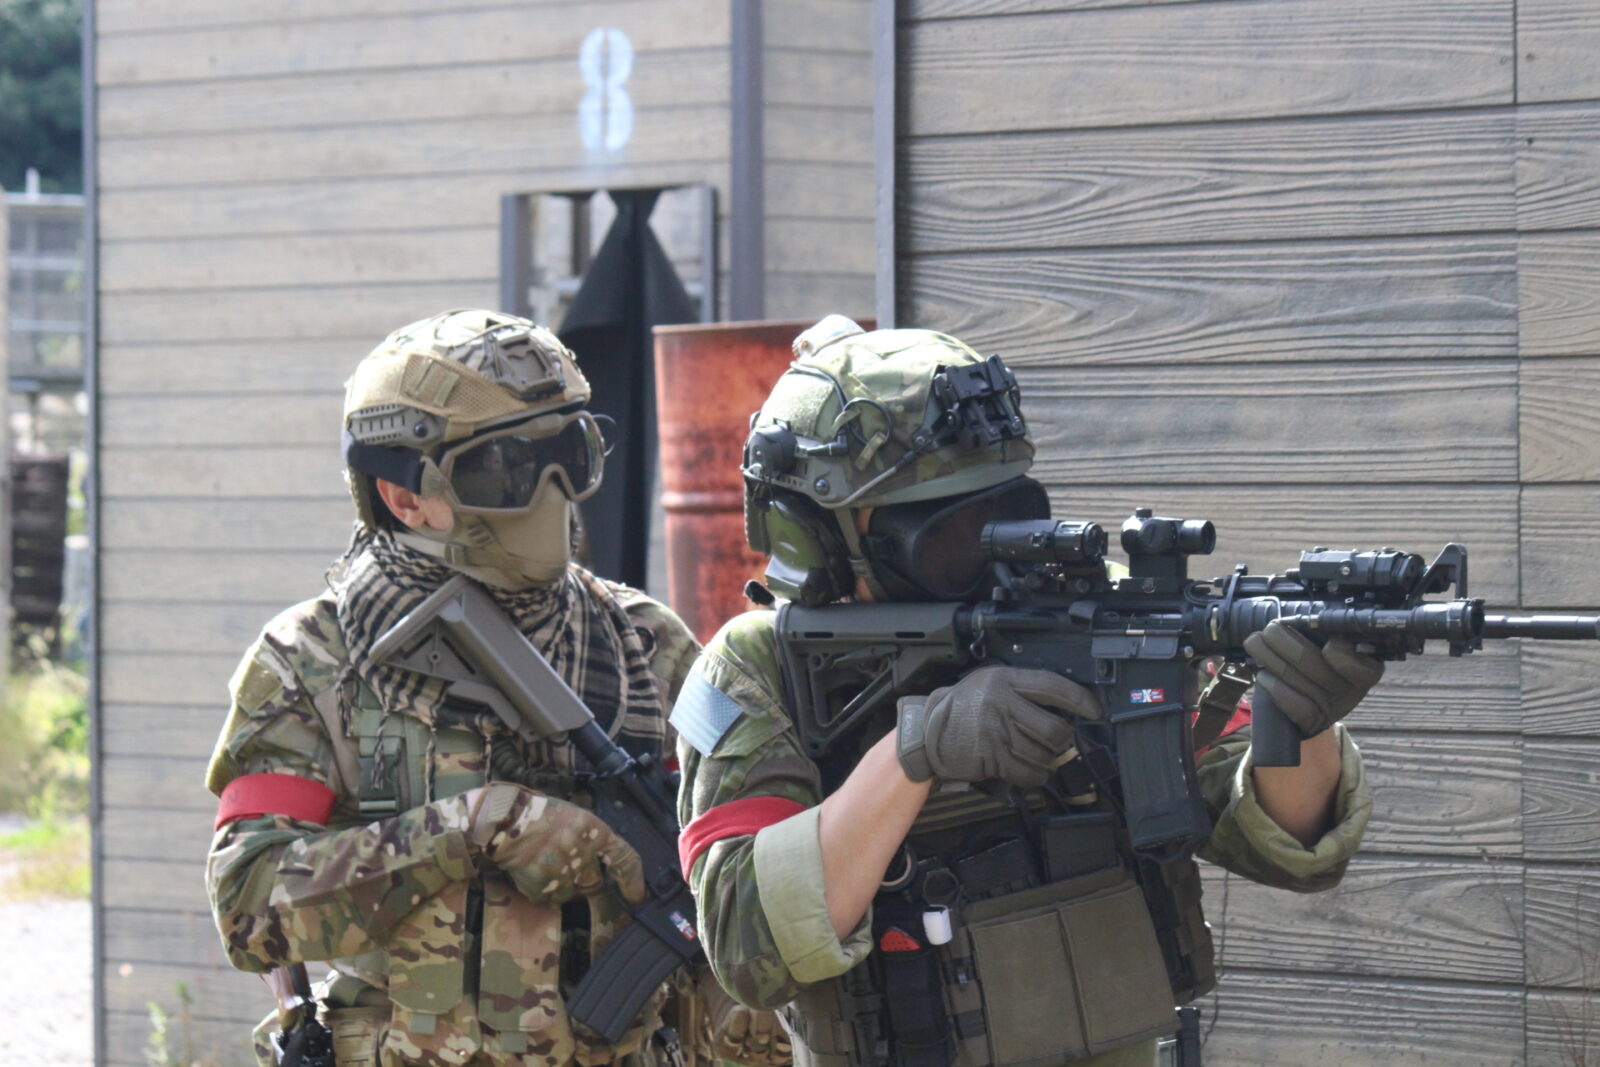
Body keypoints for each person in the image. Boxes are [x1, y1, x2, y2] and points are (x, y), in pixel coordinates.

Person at [674, 317, 1377, 1067]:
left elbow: (1289, 848)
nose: (986, 553)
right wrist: (917, 751)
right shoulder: (757, 667)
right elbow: (747, 948)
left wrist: (1297, 719)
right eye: (944, 535)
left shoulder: (1099, 613)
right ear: (815, 536)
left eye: (1004, 513)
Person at [203, 309, 779, 1067]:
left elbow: (738, 860)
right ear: (404, 496)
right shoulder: (312, 660)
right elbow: (247, 904)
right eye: (507, 469)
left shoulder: (643, 643)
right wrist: (464, 832)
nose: (553, 492)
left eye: (571, 455)